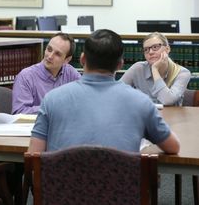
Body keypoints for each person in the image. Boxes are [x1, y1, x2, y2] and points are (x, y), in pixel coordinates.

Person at [28, 29, 180, 154]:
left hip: (60, 189)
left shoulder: (51, 99)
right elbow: (173, 147)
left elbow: (33, 157)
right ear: (120, 65)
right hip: (120, 190)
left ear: (82, 59)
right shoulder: (142, 103)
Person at [12, 32, 81, 114]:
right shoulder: (25, 77)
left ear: (67, 60)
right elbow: (19, 113)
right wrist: (53, 107)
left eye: (57, 54)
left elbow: (84, 101)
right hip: (36, 126)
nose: (50, 56)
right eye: (49, 49)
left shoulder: (71, 74)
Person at [120, 32, 191, 106]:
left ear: (167, 49)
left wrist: (155, 70)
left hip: (170, 116)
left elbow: (167, 100)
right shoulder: (138, 68)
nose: (150, 52)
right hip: (143, 116)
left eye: (155, 47)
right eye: (146, 49)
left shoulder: (182, 73)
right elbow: (117, 91)